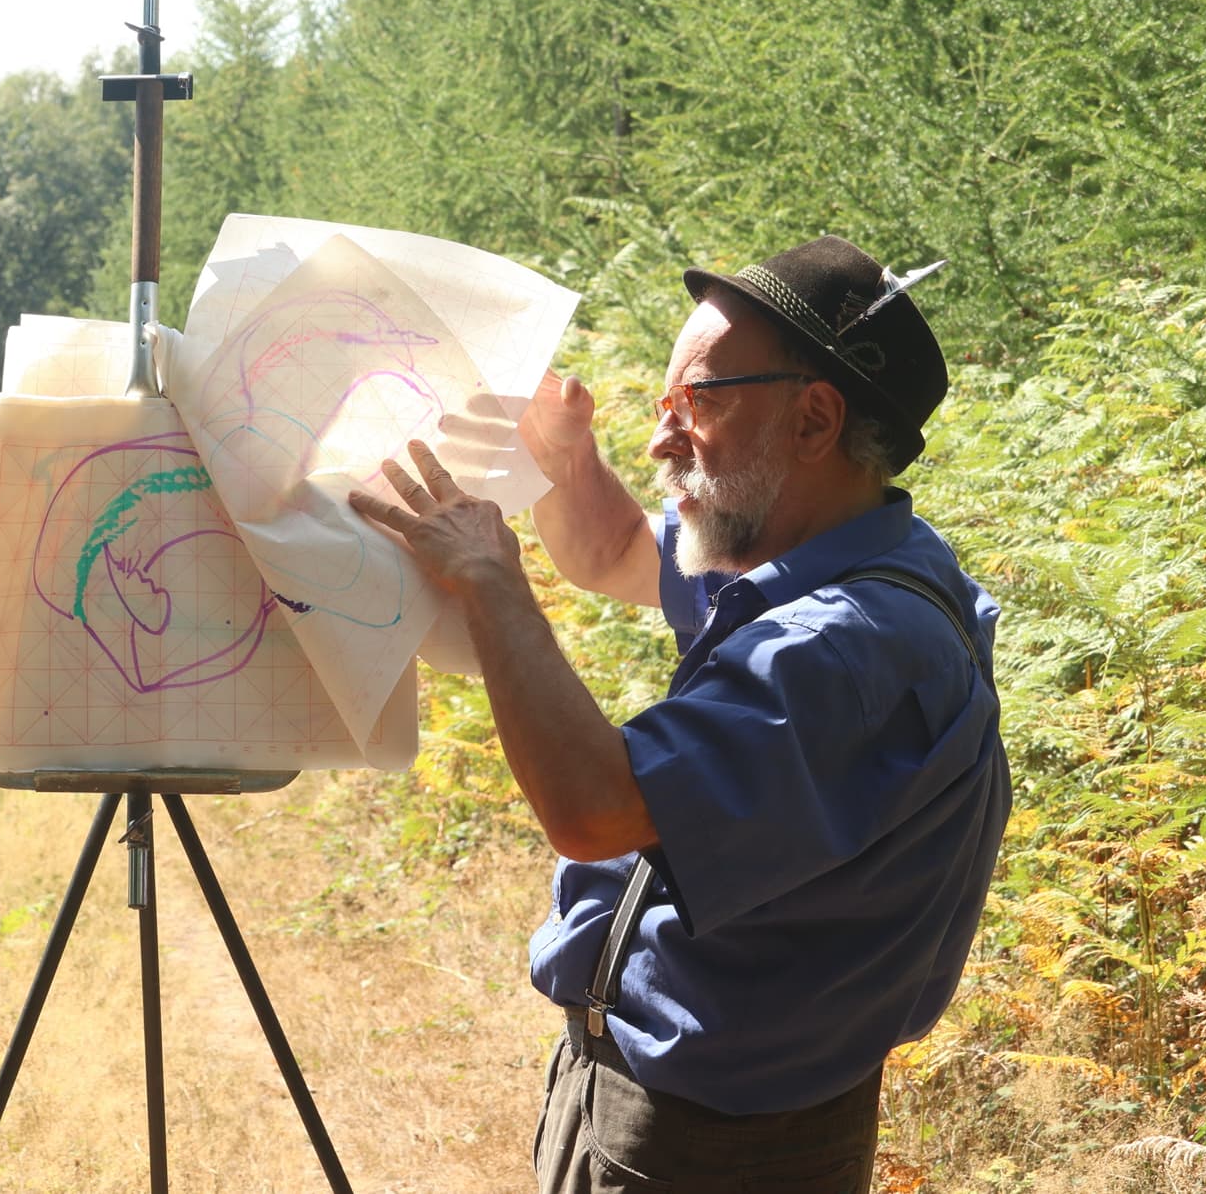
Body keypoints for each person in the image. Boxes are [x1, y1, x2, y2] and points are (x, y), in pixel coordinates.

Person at [349, 235, 1009, 1194]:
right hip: (682, 1110)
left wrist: (492, 580)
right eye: (665, 405)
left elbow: (595, 809)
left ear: (815, 419)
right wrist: (563, 457)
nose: (661, 439)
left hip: (713, 1150)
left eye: (695, 404)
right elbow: (616, 547)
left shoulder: (842, 646)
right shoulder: (830, 554)